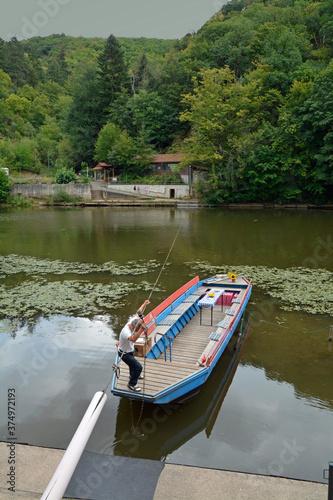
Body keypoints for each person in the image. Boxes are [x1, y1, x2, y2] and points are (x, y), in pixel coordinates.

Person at [118, 300, 150, 392]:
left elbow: (138, 312)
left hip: (130, 350)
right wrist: (141, 329)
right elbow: (133, 339)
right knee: (139, 367)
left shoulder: (133, 321)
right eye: (137, 330)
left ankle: (133, 375)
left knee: (132, 365)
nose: (137, 332)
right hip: (124, 353)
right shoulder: (126, 332)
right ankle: (132, 384)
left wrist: (144, 303)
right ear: (134, 328)